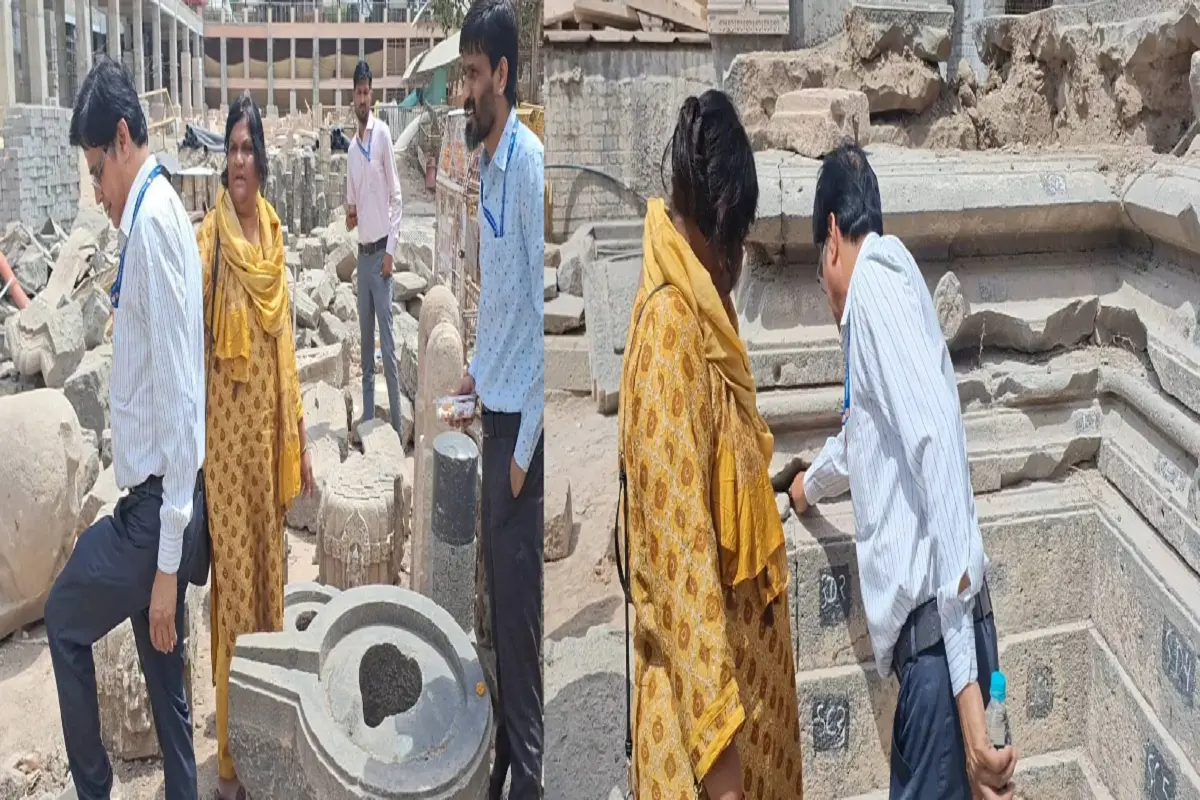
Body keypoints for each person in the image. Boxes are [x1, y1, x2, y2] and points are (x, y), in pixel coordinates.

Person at [788, 141, 1018, 800]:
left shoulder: (877, 288)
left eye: (816, 266)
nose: (824, 287)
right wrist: (808, 486)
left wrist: (970, 707)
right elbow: (867, 438)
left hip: (943, 657)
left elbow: (936, 451)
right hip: (953, 641)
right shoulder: (881, 301)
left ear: (831, 234)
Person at [617, 90, 804, 800]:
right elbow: (685, 566)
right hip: (706, 751)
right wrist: (723, 775)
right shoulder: (671, 329)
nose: (738, 263)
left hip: (752, 729)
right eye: (736, 240)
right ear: (716, 221)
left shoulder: (706, 315)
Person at [46, 56, 206, 800]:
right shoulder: (157, 213)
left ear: (120, 140)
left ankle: (92, 789)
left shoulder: (152, 226)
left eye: (94, 171)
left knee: (62, 619)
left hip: (154, 516)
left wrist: (166, 565)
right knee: (164, 680)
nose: (94, 193)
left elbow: (181, 403)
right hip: (158, 506)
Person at [195, 93, 316, 800]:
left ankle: (269, 736)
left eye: (248, 149)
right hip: (226, 461)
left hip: (267, 448)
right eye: (231, 150)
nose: (239, 161)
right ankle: (235, 762)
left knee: (271, 592)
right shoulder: (209, 243)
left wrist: (299, 441)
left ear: (261, 158)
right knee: (233, 606)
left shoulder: (272, 236)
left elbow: (287, 352)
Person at [455, 0, 545, 796]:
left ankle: (532, 775)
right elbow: (499, 300)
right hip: (494, 408)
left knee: (519, 623)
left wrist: (521, 456)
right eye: (463, 74)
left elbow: (544, 318)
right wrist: (474, 375)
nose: (465, 88)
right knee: (497, 607)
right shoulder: (485, 164)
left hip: (522, 434)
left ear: (504, 75)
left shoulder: (529, 165)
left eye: (475, 74)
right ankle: (508, 766)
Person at [345, 59, 404, 434]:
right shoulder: (351, 150)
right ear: (353, 96)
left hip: (381, 259)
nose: (363, 98)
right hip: (361, 259)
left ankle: (397, 428)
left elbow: (397, 197)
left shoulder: (382, 136)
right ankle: (368, 425)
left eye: (367, 92)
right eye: (358, 93)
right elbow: (350, 211)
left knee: (389, 351)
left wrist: (391, 253)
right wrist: (351, 216)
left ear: (372, 95)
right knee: (366, 352)